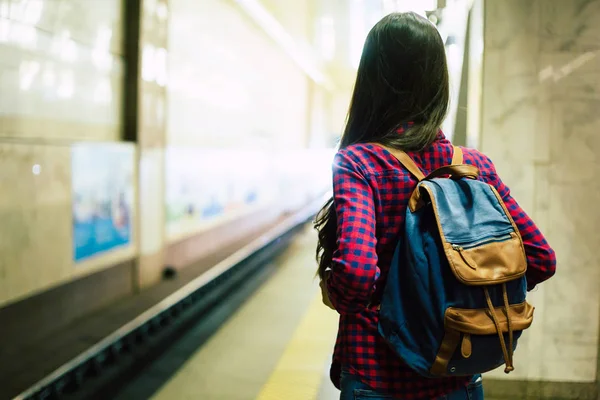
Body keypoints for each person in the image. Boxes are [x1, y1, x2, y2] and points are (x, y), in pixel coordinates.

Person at [314, 12, 556, 400]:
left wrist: (335, 290)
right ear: (437, 82)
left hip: (378, 379)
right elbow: (541, 258)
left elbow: (358, 274)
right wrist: (462, 295)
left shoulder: (360, 163)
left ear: (372, 81)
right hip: (457, 377)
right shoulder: (474, 167)